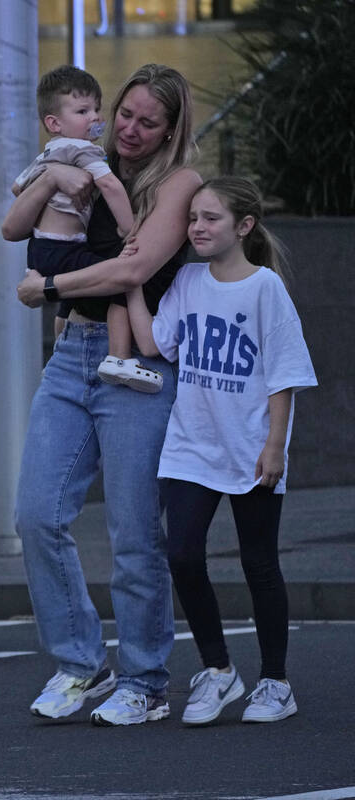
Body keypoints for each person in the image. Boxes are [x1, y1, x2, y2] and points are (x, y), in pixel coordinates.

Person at [6, 64, 202, 726]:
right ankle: (80, 663)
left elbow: (136, 265)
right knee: (36, 512)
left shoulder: (179, 182)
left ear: (172, 130)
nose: (131, 129)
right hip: (73, 353)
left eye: (149, 122)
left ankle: (146, 679)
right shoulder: (88, 160)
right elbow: (17, 224)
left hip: (138, 366)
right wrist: (51, 179)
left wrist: (52, 290)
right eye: (125, 114)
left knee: (134, 531)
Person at [124, 177, 316, 725]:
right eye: (193, 219)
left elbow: (286, 376)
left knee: (259, 564)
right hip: (192, 445)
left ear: (244, 227)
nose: (197, 229)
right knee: (182, 556)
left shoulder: (265, 289)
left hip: (252, 447)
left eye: (211, 219)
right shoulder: (186, 280)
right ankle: (218, 669)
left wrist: (274, 447)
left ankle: (276, 683)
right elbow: (154, 345)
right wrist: (133, 282)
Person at [12, 65, 161, 393]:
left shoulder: (48, 154)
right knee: (120, 279)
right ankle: (119, 357)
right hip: (64, 246)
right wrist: (130, 229)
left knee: (77, 291)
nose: (94, 117)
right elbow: (110, 186)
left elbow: (17, 188)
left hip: (40, 248)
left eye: (96, 108)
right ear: (54, 122)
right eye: (83, 111)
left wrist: (50, 184)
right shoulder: (85, 151)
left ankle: (59, 346)